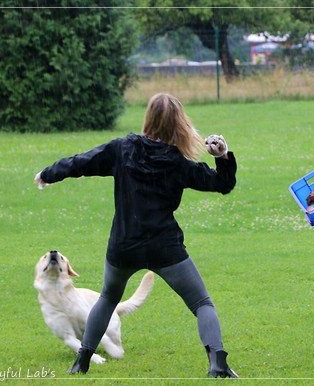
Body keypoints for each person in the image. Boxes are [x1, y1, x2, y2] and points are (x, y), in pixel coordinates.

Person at [34, 93, 239, 378]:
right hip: (164, 247)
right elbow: (222, 184)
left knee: (107, 298)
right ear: (179, 123)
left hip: (123, 246)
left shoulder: (123, 149)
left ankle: (81, 362)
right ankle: (218, 364)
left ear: (149, 119)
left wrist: (49, 173)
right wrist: (223, 157)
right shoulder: (177, 162)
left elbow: (82, 162)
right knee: (202, 304)